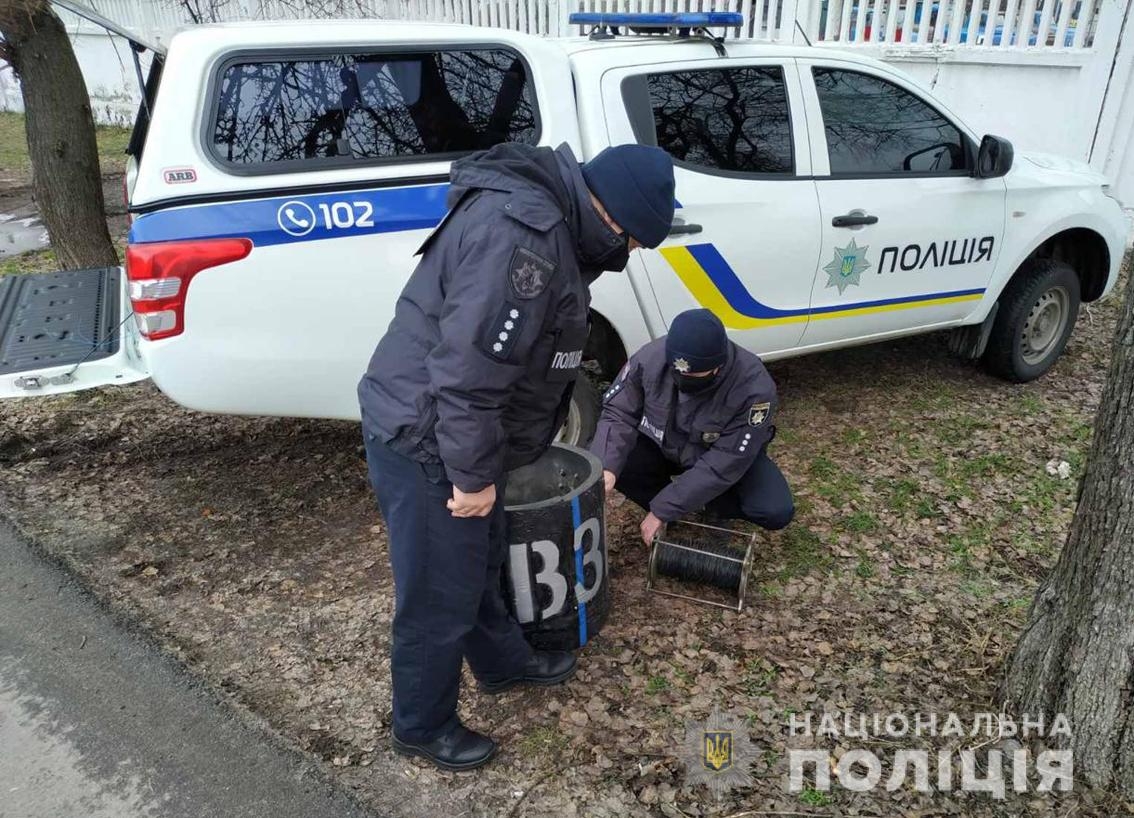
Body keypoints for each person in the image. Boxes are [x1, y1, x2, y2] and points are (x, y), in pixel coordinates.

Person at [357, 141, 675, 771]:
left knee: (478, 558)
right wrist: (472, 477)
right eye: (635, 241)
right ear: (613, 216)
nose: (632, 253)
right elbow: (469, 372)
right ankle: (421, 724)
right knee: (439, 589)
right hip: (430, 436)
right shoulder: (526, 238)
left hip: (464, 434)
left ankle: (502, 663)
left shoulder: (552, 223)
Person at [591, 309, 794, 546]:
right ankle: (668, 505)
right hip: (666, 444)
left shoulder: (753, 388)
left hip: (718, 452)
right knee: (615, 458)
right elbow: (619, 412)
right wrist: (606, 467)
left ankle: (716, 507)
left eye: (696, 375)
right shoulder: (650, 359)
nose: (683, 380)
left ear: (719, 365)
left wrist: (664, 508)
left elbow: (726, 461)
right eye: (676, 372)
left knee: (774, 509)